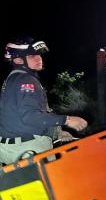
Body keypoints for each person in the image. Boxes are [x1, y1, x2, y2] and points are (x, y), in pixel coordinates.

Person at [0, 37, 88, 165]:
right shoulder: (26, 81)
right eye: (32, 56)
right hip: (27, 149)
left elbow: (18, 118)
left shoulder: (12, 79)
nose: (39, 59)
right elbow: (30, 116)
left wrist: (57, 133)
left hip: (9, 147)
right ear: (18, 59)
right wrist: (67, 120)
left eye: (39, 55)